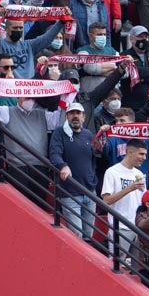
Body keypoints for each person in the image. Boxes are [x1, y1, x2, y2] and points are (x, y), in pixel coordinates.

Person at [49, 102, 100, 240]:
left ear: (84, 117)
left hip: (89, 191)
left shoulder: (89, 135)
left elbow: (94, 158)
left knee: (88, 236)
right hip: (70, 192)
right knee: (77, 236)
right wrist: (63, 165)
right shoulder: (59, 132)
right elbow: (54, 155)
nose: (75, 116)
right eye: (72, 113)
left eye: (78, 113)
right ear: (66, 116)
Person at [102, 139, 149, 266]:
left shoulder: (139, 174)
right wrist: (130, 188)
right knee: (117, 266)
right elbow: (106, 200)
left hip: (138, 227)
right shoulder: (112, 172)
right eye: (141, 154)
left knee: (138, 268)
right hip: (120, 227)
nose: (144, 158)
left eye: (145, 154)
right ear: (130, 152)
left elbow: (143, 201)